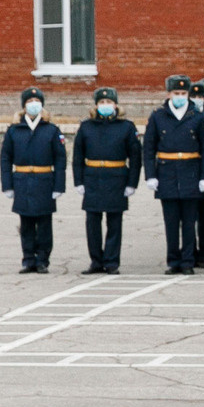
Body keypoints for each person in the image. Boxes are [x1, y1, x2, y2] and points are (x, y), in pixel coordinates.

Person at [147, 76, 204, 276]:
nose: (180, 97)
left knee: (189, 222)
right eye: (176, 93)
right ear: (169, 94)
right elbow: (149, 148)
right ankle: (173, 260)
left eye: (183, 93)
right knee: (171, 222)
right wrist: (151, 175)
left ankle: (187, 261)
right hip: (167, 173)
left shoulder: (197, 116)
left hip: (190, 172)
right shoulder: (158, 116)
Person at [74, 88, 142, 273]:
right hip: (93, 178)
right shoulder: (86, 126)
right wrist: (78, 181)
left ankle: (111, 262)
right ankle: (96, 261)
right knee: (92, 223)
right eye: (102, 102)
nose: (105, 105)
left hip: (116, 178)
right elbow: (78, 157)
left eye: (109, 102)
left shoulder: (126, 127)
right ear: (96, 105)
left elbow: (135, 157)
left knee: (114, 222)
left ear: (116, 105)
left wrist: (132, 183)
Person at [1, 86, 67, 273]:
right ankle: (28, 258)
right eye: (29, 101)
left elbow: (60, 159)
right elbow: (5, 157)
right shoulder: (14, 130)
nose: (33, 104)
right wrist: (7, 185)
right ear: (23, 106)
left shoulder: (51, 130)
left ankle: (43, 259)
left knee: (44, 222)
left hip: (44, 179)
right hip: (22, 180)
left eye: (37, 101)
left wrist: (59, 185)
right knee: (26, 223)